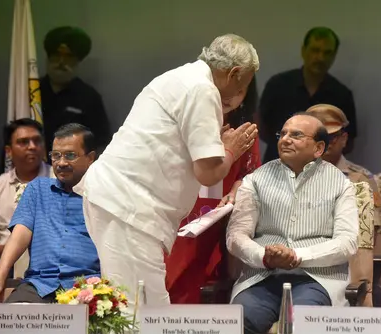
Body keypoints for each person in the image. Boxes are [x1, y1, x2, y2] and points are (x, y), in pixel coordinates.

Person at [74, 34, 259, 309]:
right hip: (128, 206)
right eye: (243, 84)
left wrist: (218, 146)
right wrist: (231, 150)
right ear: (234, 74)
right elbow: (208, 173)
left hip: (121, 202)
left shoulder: (180, 77)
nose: (239, 95)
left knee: (134, 306)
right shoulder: (203, 89)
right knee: (144, 312)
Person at [227, 114, 358, 334]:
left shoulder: (340, 183)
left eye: (296, 135)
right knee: (240, 323)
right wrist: (265, 257)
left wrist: (297, 256)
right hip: (262, 277)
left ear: (318, 148)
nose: (285, 139)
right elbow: (236, 236)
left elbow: (347, 242)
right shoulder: (255, 180)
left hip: (316, 279)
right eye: (283, 134)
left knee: (304, 325)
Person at [0, 124, 100, 303]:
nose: (62, 162)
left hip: (87, 286)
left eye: (70, 155)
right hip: (40, 285)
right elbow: (20, 234)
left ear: (90, 158)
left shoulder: (101, 195)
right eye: (56, 155)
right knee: (8, 323)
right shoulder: (37, 188)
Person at [165, 76, 262, 304]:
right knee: (171, 274)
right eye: (224, 88)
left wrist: (237, 190)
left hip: (217, 214)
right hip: (178, 209)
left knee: (207, 277)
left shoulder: (245, 129)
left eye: (240, 90)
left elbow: (249, 175)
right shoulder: (184, 120)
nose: (230, 96)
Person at [0, 119, 50, 333]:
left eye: (36, 141)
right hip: (3, 255)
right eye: (23, 142)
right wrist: (5, 250)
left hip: (50, 255)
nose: (32, 146)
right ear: (9, 150)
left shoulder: (58, 180)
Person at [307, 103, 381, 306]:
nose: (324, 144)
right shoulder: (287, 177)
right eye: (318, 138)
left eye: (331, 137)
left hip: (347, 266)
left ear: (344, 138)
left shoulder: (361, 179)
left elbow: (368, 238)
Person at [259, 27, 356, 163]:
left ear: (334, 56)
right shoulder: (278, 85)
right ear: (304, 51)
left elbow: (348, 141)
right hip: (277, 169)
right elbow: (261, 126)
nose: (320, 58)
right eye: (315, 50)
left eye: (327, 52)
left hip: (321, 174)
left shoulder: (341, 95)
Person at [41, 26, 111, 154]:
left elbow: (101, 143)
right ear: (48, 58)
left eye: (68, 57)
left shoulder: (89, 97)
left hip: (73, 170)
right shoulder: (31, 91)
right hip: (33, 169)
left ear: (77, 62)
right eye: (56, 55)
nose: (61, 62)